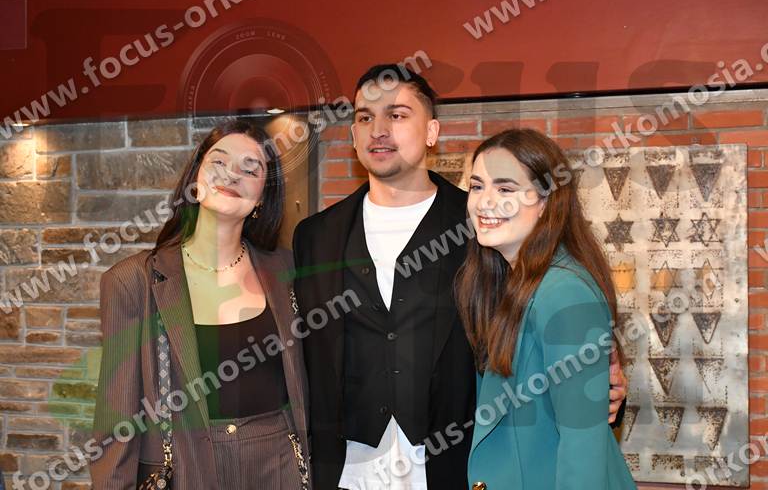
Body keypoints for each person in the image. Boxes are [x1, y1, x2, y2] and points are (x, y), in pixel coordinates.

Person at [291, 64, 628, 490]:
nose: (378, 130)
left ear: (431, 131)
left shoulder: (483, 227)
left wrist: (603, 371)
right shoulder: (314, 237)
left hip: (456, 466)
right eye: (364, 117)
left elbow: (542, 317)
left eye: (397, 115)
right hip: (346, 468)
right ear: (353, 134)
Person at [90, 119, 310, 489]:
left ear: (263, 196)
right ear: (195, 178)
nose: (232, 175)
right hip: (185, 470)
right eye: (219, 161)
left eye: (250, 169)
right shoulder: (132, 282)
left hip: (279, 468)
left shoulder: (289, 271)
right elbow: (117, 423)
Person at [456, 128, 636, 490]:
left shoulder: (565, 291)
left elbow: (582, 451)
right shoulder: (506, 283)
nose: (484, 202)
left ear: (545, 203)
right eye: (477, 186)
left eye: (505, 189)